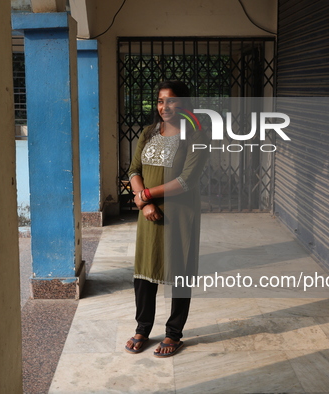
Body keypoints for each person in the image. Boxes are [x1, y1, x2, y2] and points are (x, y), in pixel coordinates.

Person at [124, 80, 209, 357]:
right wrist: (144, 202)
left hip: (180, 213)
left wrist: (144, 195)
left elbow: (187, 181)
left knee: (179, 268)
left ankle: (174, 333)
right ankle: (142, 328)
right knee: (145, 269)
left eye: (172, 101)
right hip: (149, 214)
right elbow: (134, 169)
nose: (165, 106)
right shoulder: (149, 133)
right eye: (161, 101)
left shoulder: (196, 135)